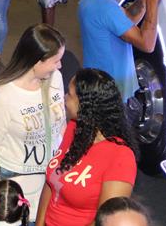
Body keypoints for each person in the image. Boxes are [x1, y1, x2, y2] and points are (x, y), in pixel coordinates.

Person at [0, 25, 68, 210]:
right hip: (19, 184)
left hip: (53, 178)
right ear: (37, 61)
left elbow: (62, 125)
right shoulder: (2, 96)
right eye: (56, 60)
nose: (60, 65)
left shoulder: (56, 78)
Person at [36, 69, 138, 226]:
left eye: (69, 95)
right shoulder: (74, 128)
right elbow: (51, 182)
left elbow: (105, 220)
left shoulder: (120, 157)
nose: (64, 98)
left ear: (85, 106)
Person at [79, 0, 166, 105]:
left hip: (100, 87)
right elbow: (147, 44)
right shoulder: (104, 8)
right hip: (110, 94)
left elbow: (128, 18)